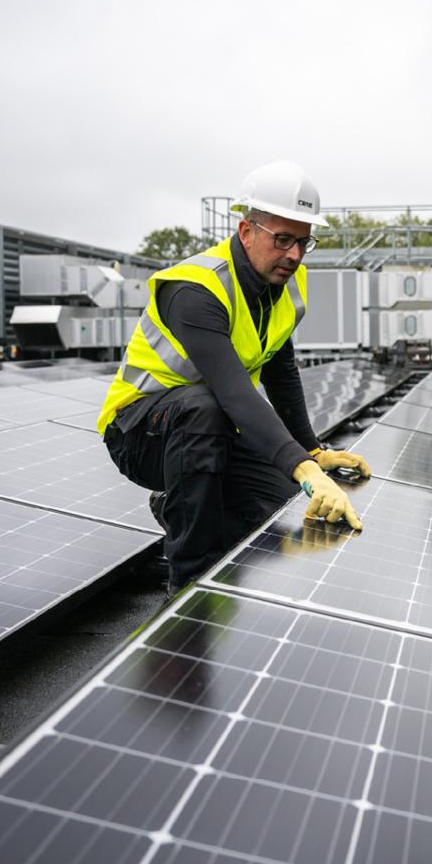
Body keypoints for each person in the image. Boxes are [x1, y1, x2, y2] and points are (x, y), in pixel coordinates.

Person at [97, 160, 369, 596]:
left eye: (303, 242)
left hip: (211, 425)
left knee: (279, 504)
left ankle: (179, 507)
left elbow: (280, 369)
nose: (294, 255)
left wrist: (312, 452)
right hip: (140, 433)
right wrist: (304, 468)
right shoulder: (194, 290)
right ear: (246, 231)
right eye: (282, 239)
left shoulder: (287, 281)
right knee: (204, 411)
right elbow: (235, 392)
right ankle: (188, 586)